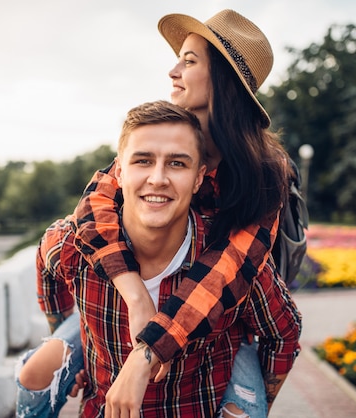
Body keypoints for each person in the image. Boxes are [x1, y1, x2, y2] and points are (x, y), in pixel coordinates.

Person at [72, 9, 301, 417]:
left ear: (223, 80)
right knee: (44, 366)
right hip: (125, 308)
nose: (173, 70)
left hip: (225, 328)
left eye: (190, 60)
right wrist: (134, 292)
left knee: (246, 409)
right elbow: (93, 210)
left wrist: (149, 349)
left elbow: (224, 271)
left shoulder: (263, 174)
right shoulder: (165, 136)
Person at [23, 100, 274, 416]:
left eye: (177, 164)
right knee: (33, 371)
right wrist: (72, 342)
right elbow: (45, 267)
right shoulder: (74, 245)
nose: (157, 178)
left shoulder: (232, 259)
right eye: (143, 161)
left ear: (199, 178)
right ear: (119, 171)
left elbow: (283, 332)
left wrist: (259, 399)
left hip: (194, 406)